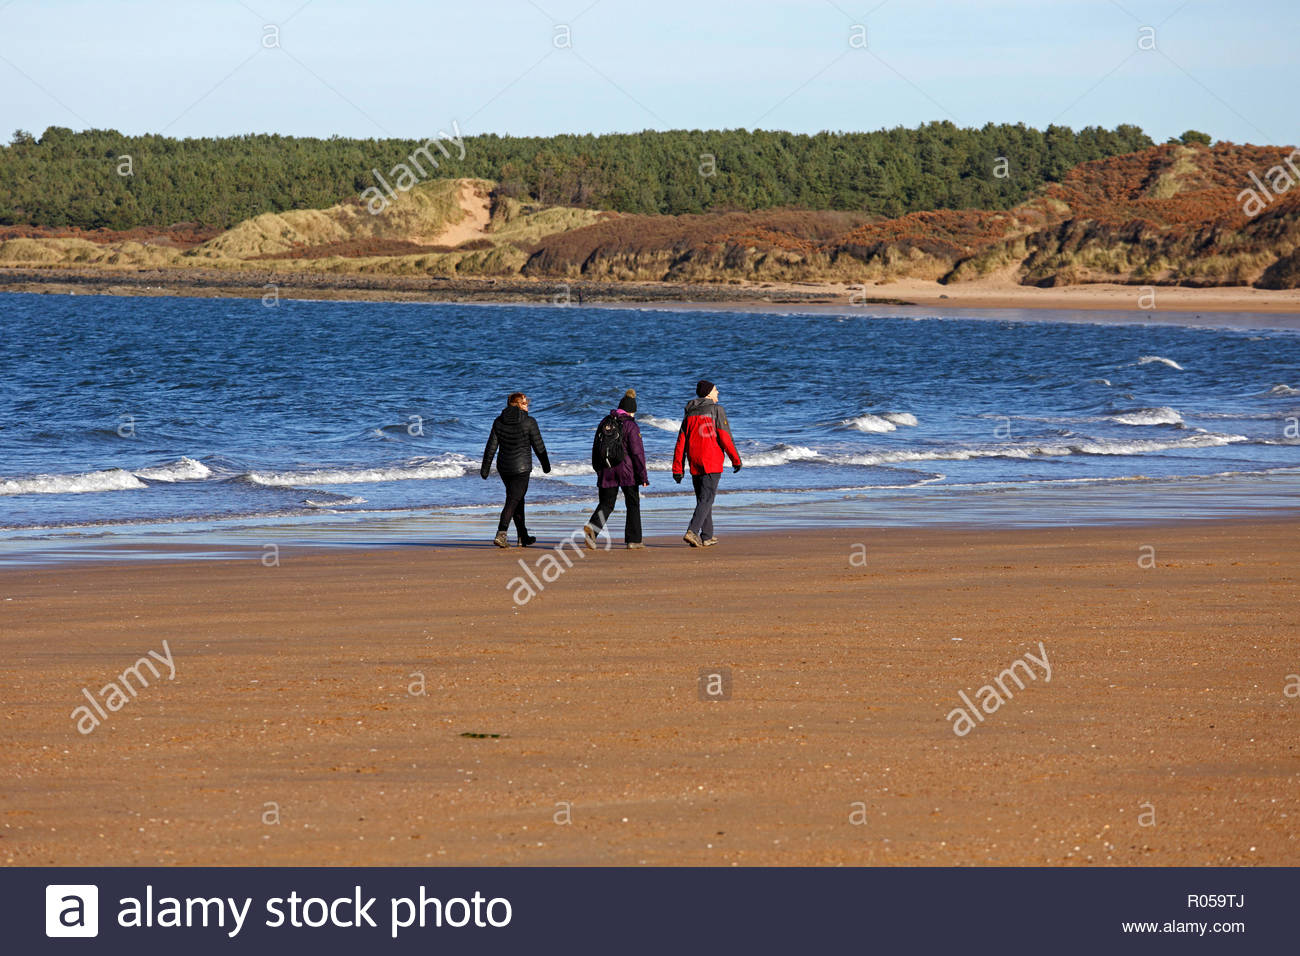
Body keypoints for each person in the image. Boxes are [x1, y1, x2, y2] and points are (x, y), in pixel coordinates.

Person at [672, 380, 742, 547]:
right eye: (716, 390)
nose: (718, 393)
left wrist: (677, 468)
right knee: (707, 498)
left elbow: (680, 442)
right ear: (709, 393)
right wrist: (736, 459)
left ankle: (707, 535)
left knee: (703, 499)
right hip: (711, 461)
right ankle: (692, 531)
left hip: (695, 461)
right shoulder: (717, 410)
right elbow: (725, 437)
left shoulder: (689, 413)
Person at [480, 392, 551, 548]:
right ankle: (501, 533)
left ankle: (522, 536)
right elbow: (539, 446)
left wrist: (485, 468)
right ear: (517, 404)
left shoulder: (499, 421)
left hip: (504, 468)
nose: (528, 405)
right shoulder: (529, 422)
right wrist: (546, 465)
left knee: (517, 498)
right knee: (513, 500)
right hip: (521, 468)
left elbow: (491, 447)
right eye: (525, 403)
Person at [584, 389, 649, 550]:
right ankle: (634, 540)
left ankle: (593, 528)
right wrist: (643, 476)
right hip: (628, 471)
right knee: (633, 503)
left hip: (606, 469)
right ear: (631, 411)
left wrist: (598, 468)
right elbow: (637, 453)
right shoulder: (631, 425)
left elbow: (595, 447)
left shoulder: (605, 421)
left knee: (606, 503)